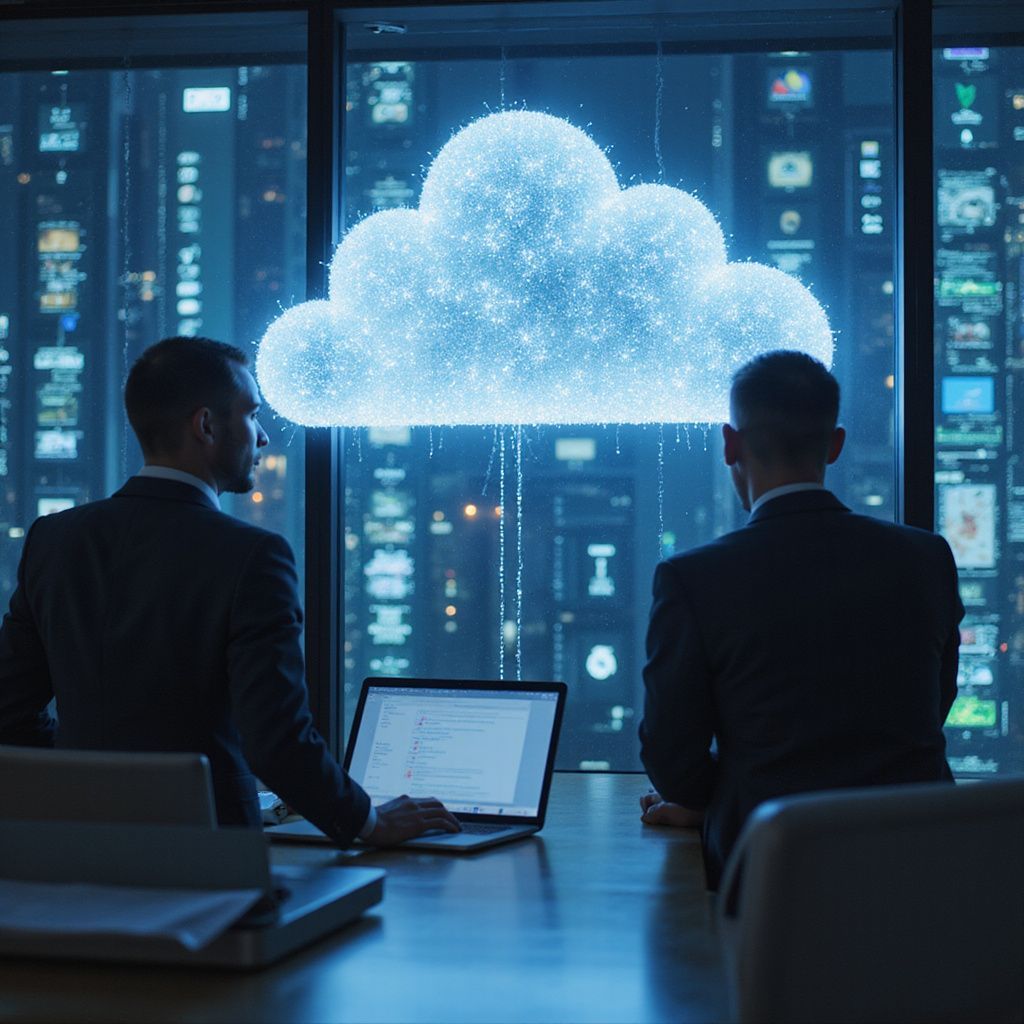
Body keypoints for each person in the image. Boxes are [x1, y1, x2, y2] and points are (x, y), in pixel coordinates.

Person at [0, 336, 459, 847]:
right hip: (212, 858)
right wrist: (367, 822)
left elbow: (8, 710)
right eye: (251, 414)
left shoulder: (55, 539)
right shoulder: (252, 555)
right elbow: (276, 739)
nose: (262, 437)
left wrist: (83, 775)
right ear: (206, 425)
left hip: (71, 852)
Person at [638, 350, 963, 890]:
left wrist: (719, 799)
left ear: (730, 444)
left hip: (773, 869)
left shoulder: (693, 577)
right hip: (921, 859)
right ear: (834, 445)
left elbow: (672, 755)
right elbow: (933, 704)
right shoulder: (927, 557)